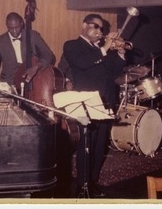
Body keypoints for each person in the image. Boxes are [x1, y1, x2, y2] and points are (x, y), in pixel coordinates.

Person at [63, 14, 127, 197]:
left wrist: (121, 52)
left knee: (100, 145)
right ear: (84, 25)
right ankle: (82, 184)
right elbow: (83, 63)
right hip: (86, 103)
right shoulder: (72, 45)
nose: (99, 31)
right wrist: (106, 47)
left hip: (105, 101)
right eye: (95, 27)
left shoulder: (102, 49)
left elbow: (115, 71)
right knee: (86, 145)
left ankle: (93, 181)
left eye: (101, 29)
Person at [0, 12, 56, 85]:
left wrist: (36, 66)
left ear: (22, 24)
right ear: (7, 25)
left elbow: (49, 55)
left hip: (33, 81)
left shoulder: (32, 36)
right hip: (9, 83)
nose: (15, 31)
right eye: (11, 28)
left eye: (17, 27)